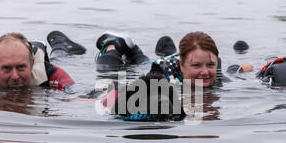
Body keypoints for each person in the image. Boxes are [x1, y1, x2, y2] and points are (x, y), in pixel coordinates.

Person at [94, 31, 229, 87]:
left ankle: (134, 52)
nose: (205, 72)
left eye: (211, 65)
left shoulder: (214, 72)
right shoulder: (161, 79)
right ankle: (113, 45)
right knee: (108, 76)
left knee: (142, 63)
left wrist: (238, 69)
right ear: (181, 65)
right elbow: (113, 89)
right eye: (197, 66)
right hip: (163, 69)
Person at [0, 32, 86, 91]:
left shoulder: (46, 70)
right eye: (6, 68)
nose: (15, 76)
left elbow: (73, 90)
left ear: (32, 65)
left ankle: (59, 44)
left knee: (59, 58)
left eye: (21, 67)